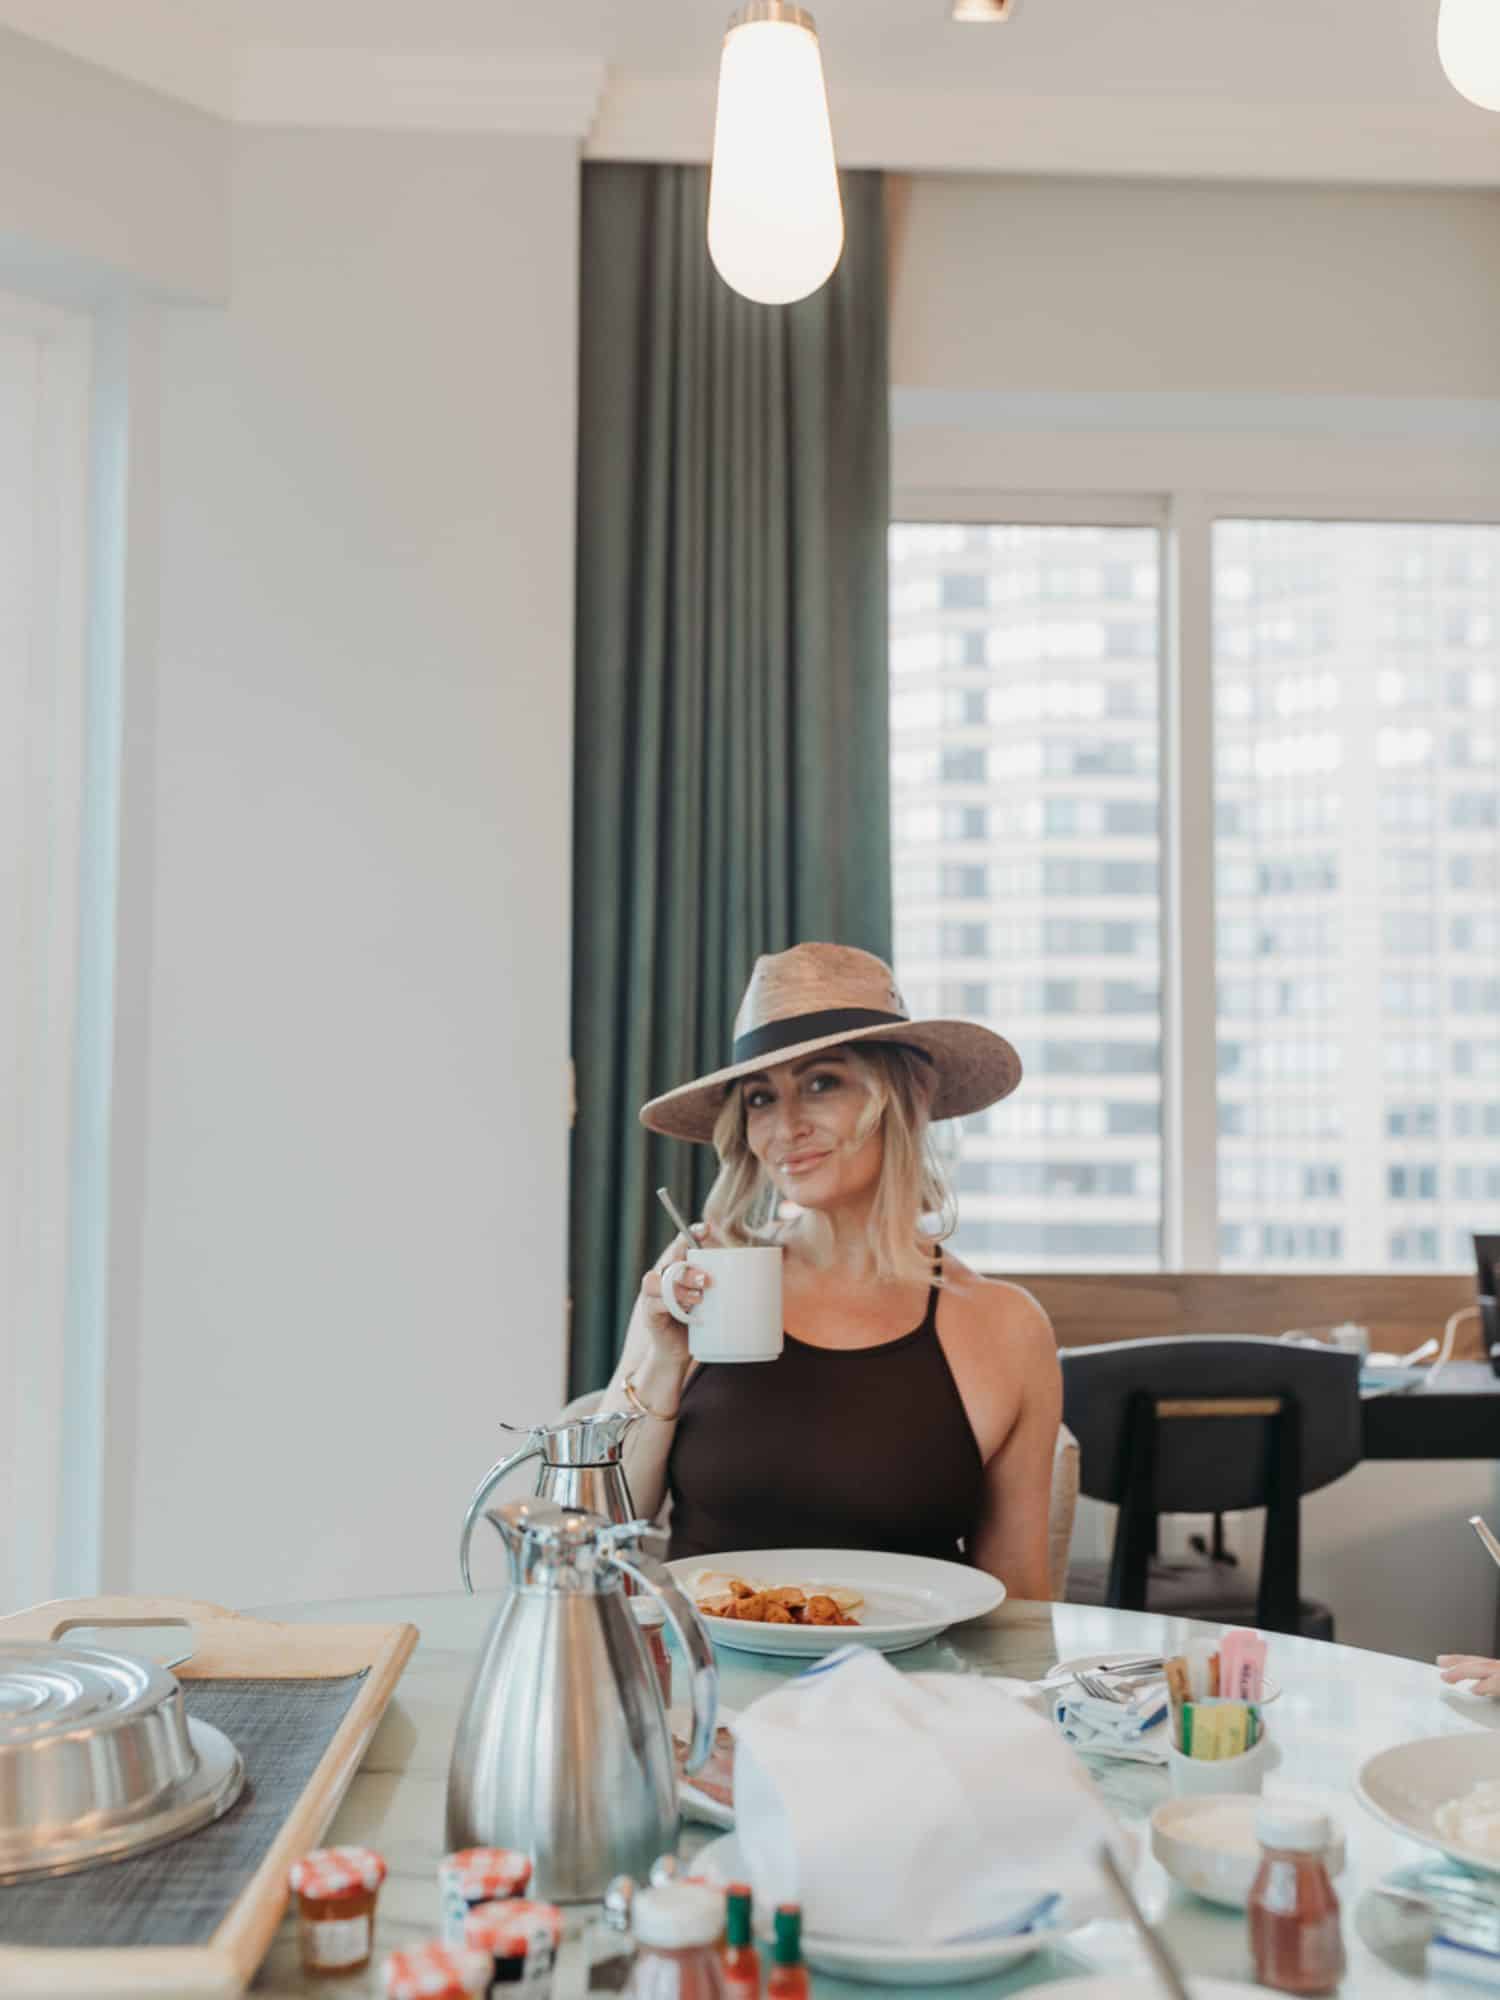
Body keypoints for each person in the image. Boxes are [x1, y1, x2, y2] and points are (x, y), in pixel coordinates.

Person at [602, 941, 1062, 1600]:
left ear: (910, 1093)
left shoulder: (1006, 1325)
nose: (786, 1126)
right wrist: (664, 1361)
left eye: (823, 1082)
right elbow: (596, 1530)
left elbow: (1018, 1596)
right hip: (709, 1692)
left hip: (911, 1694)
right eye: (760, 1098)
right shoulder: (702, 1284)